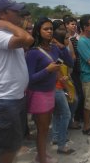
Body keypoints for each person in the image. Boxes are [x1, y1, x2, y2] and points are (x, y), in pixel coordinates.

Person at [0, 0, 34, 163]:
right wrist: (7, 24)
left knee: (14, 144)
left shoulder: (8, 33)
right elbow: (29, 40)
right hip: (3, 100)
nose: (19, 13)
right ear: (1, 14)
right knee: (7, 148)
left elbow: (26, 44)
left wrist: (11, 26)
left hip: (14, 97)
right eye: (15, 11)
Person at [26, 17, 73, 163]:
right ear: (38, 32)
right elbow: (29, 79)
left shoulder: (53, 48)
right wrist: (48, 70)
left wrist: (62, 46)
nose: (49, 31)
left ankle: (41, 154)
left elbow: (70, 62)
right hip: (38, 93)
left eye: (51, 29)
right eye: (45, 29)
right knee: (43, 129)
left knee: (45, 128)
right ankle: (41, 158)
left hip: (50, 91)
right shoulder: (33, 52)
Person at [51, 28, 75, 155]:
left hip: (57, 86)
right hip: (58, 86)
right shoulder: (58, 50)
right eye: (65, 38)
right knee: (66, 114)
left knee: (57, 113)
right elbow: (68, 63)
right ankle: (61, 143)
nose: (68, 40)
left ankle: (55, 137)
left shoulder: (57, 49)